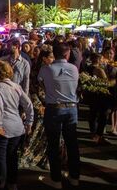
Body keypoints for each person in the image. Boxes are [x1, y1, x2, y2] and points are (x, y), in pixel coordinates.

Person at [37, 42, 80, 189]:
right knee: (72, 144)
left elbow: (40, 83)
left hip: (54, 108)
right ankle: (74, 177)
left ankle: (56, 180)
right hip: (72, 108)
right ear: (67, 54)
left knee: (53, 144)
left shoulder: (46, 69)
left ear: (54, 54)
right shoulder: (74, 68)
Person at [0, 61, 33, 190]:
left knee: (0, 159)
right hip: (17, 127)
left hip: (3, 128)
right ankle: (12, 184)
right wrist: (29, 122)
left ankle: (1, 185)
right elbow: (28, 105)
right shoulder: (17, 87)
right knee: (12, 157)